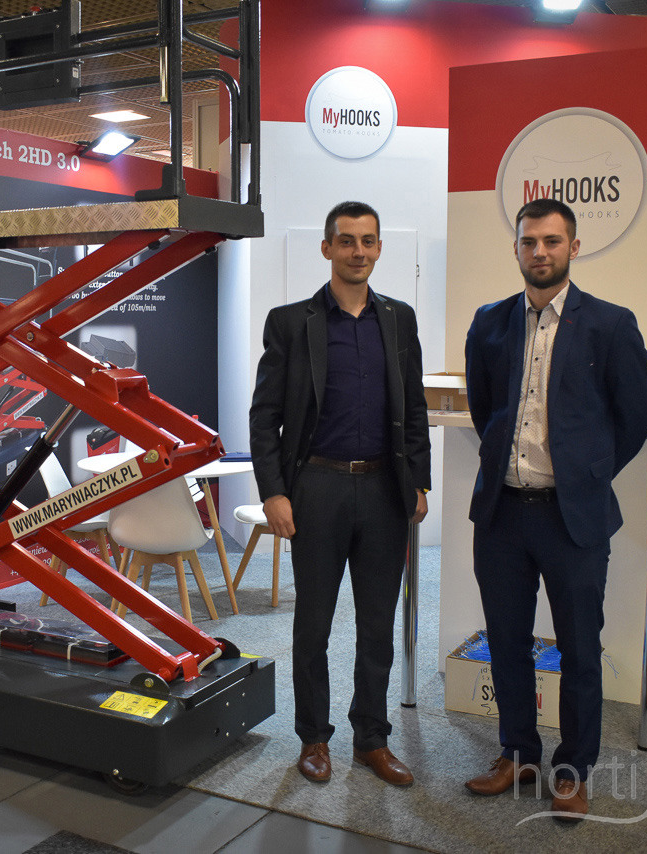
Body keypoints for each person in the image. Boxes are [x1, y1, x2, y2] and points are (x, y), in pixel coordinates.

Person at [462, 197, 647, 819]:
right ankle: (518, 753)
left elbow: (636, 416)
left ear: (573, 247)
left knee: (578, 647)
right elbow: (484, 409)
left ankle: (572, 770)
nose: (539, 252)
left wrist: (588, 475)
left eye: (551, 241)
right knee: (507, 642)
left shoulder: (611, 324)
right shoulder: (489, 323)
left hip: (573, 517)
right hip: (501, 514)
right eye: (529, 242)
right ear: (516, 248)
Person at [249, 201, 431, 787]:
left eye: (368, 241)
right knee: (314, 624)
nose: (358, 251)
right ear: (327, 248)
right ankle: (314, 737)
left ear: (379, 248)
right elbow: (264, 416)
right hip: (318, 487)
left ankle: (371, 738)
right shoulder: (290, 322)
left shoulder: (399, 319)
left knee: (378, 623)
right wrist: (274, 492)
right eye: (347, 241)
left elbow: (414, 407)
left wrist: (419, 480)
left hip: (383, 490)